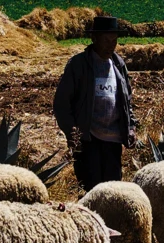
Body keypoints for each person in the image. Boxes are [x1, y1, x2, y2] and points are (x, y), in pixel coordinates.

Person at [53, 12, 133, 187]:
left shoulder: (118, 64)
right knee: (91, 189)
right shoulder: (78, 65)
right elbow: (61, 104)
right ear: (94, 38)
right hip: (89, 142)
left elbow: (127, 101)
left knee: (112, 191)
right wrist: (73, 133)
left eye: (114, 41)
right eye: (106, 41)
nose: (111, 46)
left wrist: (131, 127)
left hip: (113, 141)